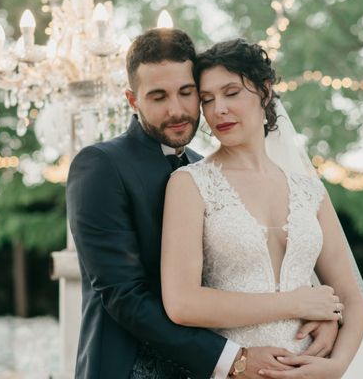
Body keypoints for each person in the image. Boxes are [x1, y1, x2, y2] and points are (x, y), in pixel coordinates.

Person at [67, 29, 341, 379]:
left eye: (186, 93)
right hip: (129, 368)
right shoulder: (101, 165)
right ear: (132, 101)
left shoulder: (204, 170)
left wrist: (318, 315)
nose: (176, 110)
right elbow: (124, 296)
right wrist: (234, 359)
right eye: (158, 97)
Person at [160, 38, 363, 378]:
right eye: (207, 100)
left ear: (265, 92)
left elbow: (351, 296)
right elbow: (182, 303)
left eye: (231, 93)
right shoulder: (190, 184)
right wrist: (294, 303)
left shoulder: (309, 190)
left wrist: (337, 365)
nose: (218, 110)